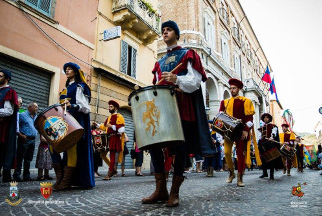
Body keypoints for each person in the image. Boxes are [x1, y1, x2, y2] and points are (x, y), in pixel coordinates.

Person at [142, 20, 215, 207]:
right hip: (162, 109)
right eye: (163, 30)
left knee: (180, 148)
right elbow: (157, 85)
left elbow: (196, 82)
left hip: (181, 105)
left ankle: (174, 192)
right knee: (155, 144)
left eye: (169, 30)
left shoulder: (188, 54)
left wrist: (176, 79)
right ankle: (160, 190)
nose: (165, 33)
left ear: (176, 33)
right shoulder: (159, 62)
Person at [51, 62, 95, 190]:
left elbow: (86, 108)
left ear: (76, 72)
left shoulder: (80, 87)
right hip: (63, 122)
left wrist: (73, 106)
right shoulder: (65, 89)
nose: (67, 71)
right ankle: (60, 177)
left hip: (75, 122)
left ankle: (66, 181)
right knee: (52, 145)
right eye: (66, 69)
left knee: (71, 149)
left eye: (70, 69)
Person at [219, 78, 261, 187]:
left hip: (241, 131)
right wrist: (220, 129)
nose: (232, 90)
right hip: (228, 132)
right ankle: (232, 172)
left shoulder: (246, 101)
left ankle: (240, 176)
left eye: (234, 88)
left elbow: (250, 119)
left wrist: (246, 131)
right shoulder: (224, 102)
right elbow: (220, 117)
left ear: (239, 89)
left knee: (240, 154)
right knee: (227, 152)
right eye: (231, 88)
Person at [96, 100, 125, 180]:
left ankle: (110, 172)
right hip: (109, 138)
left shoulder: (119, 116)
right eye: (109, 107)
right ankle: (112, 171)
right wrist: (98, 125)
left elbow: (122, 128)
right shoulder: (109, 118)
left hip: (116, 138)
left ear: (115, 108)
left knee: (114, 156)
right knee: (111, 156)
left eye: (111, 107)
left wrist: (112, 126)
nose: (109, 108)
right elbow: (105, 126)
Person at [0, 69, 18, 183]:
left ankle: (6, 174)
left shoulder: (10, 91)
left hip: (4, 129)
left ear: (6, 79)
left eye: (0, 76)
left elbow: (9, 111)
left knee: (3, 151)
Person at [13, 102, 38, 181]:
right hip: (24, 139)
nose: (37, 108)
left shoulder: (36, 116)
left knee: (28, 158)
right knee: (20, 157)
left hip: (32, 140)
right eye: (36, 107)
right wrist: (20, 135)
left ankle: (26, 175)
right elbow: (16, 126)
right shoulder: (22, 115)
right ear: (30, 108)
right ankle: (16, 175)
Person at [257, 113, 283, 180]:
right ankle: (264, 173)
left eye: (267, 117)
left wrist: (272, 137)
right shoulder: (261, 128)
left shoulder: (273, 126)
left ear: (269, 119)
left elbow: (274, 133)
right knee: (263, 159)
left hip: (270, 144)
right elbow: (259, 137)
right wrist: (260, 140)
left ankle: (271, 175)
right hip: (263, 145)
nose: (266, 119)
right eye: (264, 117)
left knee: (272, 159)